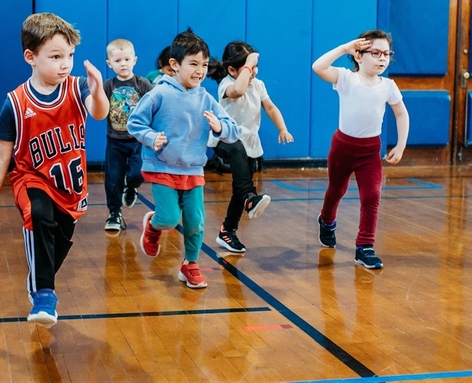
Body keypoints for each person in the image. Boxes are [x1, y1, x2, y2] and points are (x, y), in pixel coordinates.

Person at [0, 12, 109, 328]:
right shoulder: (16, 103)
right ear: (30, 57)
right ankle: (45, 293)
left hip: (71, 190)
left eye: (70, 56)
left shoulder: (77, 88)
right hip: (31, 178)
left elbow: (99, 113)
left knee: (59, 241)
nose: (65, 64)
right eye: (56, 56)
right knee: (39, 215)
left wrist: (98, 88)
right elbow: (1, 155)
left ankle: (38, 281)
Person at [127, 28, 239, 289]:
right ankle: (153, 227)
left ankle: (190, 264)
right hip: (162, 166)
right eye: (193, 64)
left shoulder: (206, 98)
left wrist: (220, 128)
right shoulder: (158, 94)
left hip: (193, 170)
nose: (200, 70)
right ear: (174, 65)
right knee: (168, 218)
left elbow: (232, 128)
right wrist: (151, 137)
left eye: (204, 64)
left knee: (195, 222)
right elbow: (134, 124)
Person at [312, 30, 409, 270]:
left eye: (386, 54)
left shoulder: (388, 86)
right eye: (375, 53)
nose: (382, 58)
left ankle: (364, 247)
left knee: (372, 196)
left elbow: (401, 114)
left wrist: (401, 145)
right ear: (359, 56)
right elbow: (318, 66)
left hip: (370, 151)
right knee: (336, 190)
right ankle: (326, 220)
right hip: (343, 147)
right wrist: (344, 47)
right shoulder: (346, 78)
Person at [207, 41, 294, 253]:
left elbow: (271, 108)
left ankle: (227, 231)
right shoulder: (226, 84)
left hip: (250, 143)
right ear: (231, 70)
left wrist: (282, 128)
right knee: (236, 151)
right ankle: (249, 198)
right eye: (249, 67)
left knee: (240, 184)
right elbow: (238, 90)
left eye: (255, 67)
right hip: (224, 138)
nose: (254, 71)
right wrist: (249, 63)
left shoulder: (259, 84)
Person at [102, 38, 153, 232]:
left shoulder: (143, 84)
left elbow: (155, 105)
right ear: (109, 64)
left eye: (126, 59)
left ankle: (131, 187)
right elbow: (97, 105)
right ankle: (114, 213)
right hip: (114, 141)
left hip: (137, 141)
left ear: (134, 60)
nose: (123, 64)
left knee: (137, 173)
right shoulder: (108, 86)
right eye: (117, 61)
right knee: (113, 179)